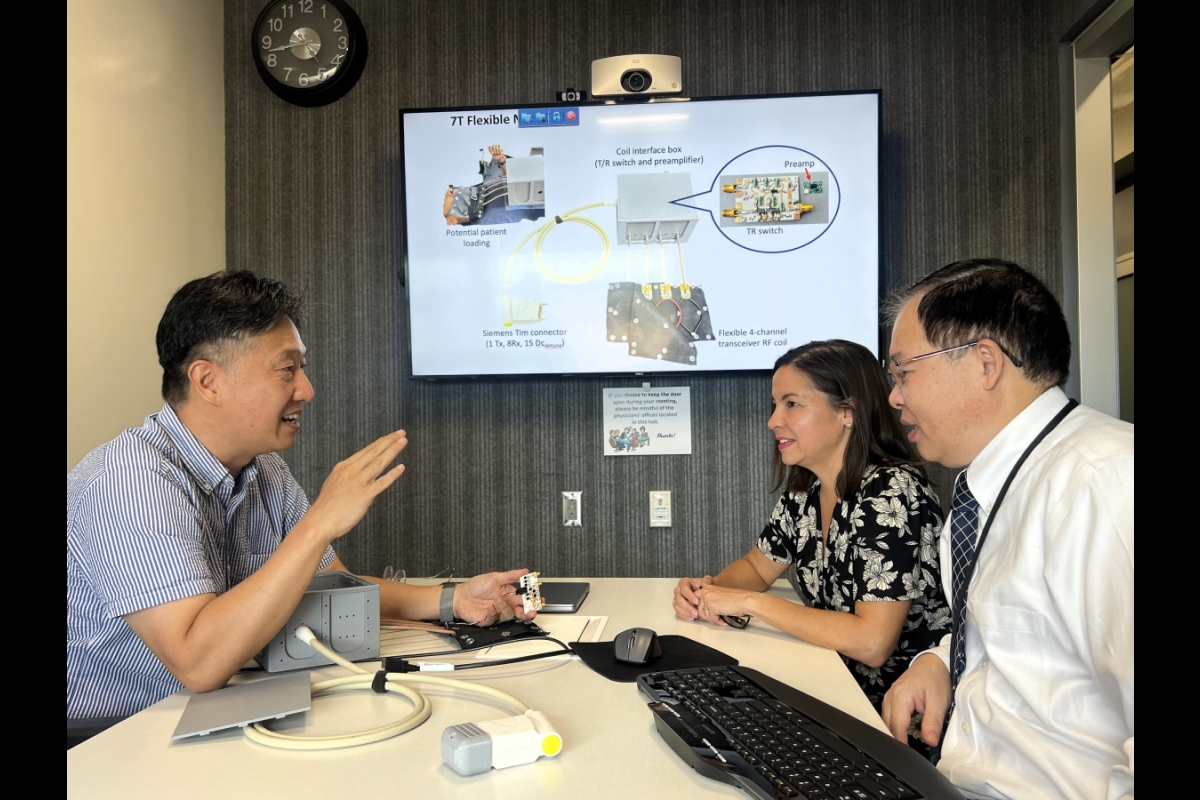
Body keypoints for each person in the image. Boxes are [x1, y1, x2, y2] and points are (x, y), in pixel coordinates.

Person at [67, 271, 533, 721]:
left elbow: (332, 593)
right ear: (208, 381)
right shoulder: (127, 479)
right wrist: (319, 522)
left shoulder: (262, 467)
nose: (306, 390)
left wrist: (453, 601)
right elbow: (197, 663)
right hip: (118, 736)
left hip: (226, 706)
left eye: (302, 369)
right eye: (286, 369)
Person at [879, 259, 1133, 799]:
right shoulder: (986, 487)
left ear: (986, 363)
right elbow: (1034, 634)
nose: (895, 397)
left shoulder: (1108, 483)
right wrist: (939, 659)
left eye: (903, 372)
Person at [674, 340, 949, 710]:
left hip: (892, 713)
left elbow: (872, 642)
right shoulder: (805, 490)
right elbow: (757, 567)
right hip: (833, 688)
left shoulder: (892, 492)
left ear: (848, 411)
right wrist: (707, 593)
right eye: (775, 405)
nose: (774, 420)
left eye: (792, 404)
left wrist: (749, 603)